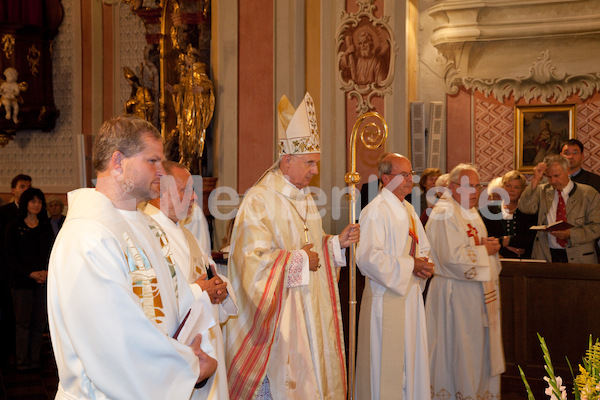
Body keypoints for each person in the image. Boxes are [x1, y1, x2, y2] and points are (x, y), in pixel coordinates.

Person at [47, 115, 217, 399]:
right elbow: (115, 340)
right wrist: (188, 366)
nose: (162, 172)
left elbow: (174, 303)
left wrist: (193, 350)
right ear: (117, 163)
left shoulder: (147, 225)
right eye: (152, 161)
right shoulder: (88, 236)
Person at [225, 92, 360, 400]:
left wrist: (335, 243)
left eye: (316, 163)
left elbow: (313, 248)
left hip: (310, 306)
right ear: (287, 161)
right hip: (284, 316)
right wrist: (298, 260)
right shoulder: (259, 199)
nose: (315, 171)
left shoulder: (307, 198)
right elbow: (251, 261)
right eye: (309, 163)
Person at [142, 160, 238, 400]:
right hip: (180, 355)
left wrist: (220, 290)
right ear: (163, 193)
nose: (195, 197)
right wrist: (199, 291)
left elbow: (206, 275)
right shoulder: (145, 233)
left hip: (206, 349)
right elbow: (150, 298)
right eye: (187, 190)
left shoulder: (183, 232)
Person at [355, 153, 434, 399]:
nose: (411, 179)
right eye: (404, 174)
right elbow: (367, 259)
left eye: (411, 174)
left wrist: (423, 266)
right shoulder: (374, 211)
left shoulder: (409, 209)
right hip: (385, 300)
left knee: (410, 366)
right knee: (388, 372)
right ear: (386, 178)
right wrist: (411, 265)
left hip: (409, 299)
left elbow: (424, 249)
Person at [425, 163, 504, 400]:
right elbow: (451, 258)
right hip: (454, 293)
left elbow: (477, 245)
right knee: (458, 349)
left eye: (477, 186)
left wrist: (490, 248)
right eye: (469, 187)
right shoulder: (443, 213)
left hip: (475, 294)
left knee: (474, 349)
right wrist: (484, 250)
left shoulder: (469, 211)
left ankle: (478, 393)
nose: (475, 192)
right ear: (452, 186)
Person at [4, 187, 53, 371]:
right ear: (26, 203)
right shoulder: (14, 226)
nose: (36, 205)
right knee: (22, 322)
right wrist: (30, 273)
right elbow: (10, 256)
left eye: (39, 201)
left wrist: (46, 272)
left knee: (39, 322)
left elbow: (51, 251)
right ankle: (22, 360)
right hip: (21, 282)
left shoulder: (45, 226)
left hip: (42, 280)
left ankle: (34, 360)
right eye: (33, 201)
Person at [518, 155, 600, 263]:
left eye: (557, 175)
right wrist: (535, 180)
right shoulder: (542, 191)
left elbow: (597, 226)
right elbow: (525, 208)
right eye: (549, 177)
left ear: (567, 170)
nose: (553, 181)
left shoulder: (588, 193)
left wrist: (571, 234)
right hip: (547, 254)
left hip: (580, 256)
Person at [0, 173, 31, 366]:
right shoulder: (4, 212)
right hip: (6, 271)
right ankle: (9, 349)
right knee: (9, 312)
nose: (25, 190)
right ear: (13, 190)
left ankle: (25, 352)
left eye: (28, 186)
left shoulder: (34, 211)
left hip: (28, 273)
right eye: (21, 186)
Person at [480, 170, 537, 259]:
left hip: (524, 261)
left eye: (516, 187)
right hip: (495, 258)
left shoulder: (528, 211)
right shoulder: (488, 211)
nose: (511, 190)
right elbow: (484, 236)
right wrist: (503, 243)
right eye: (508, 186)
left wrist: (509, 241)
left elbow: (532, 237)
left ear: (522, 190)